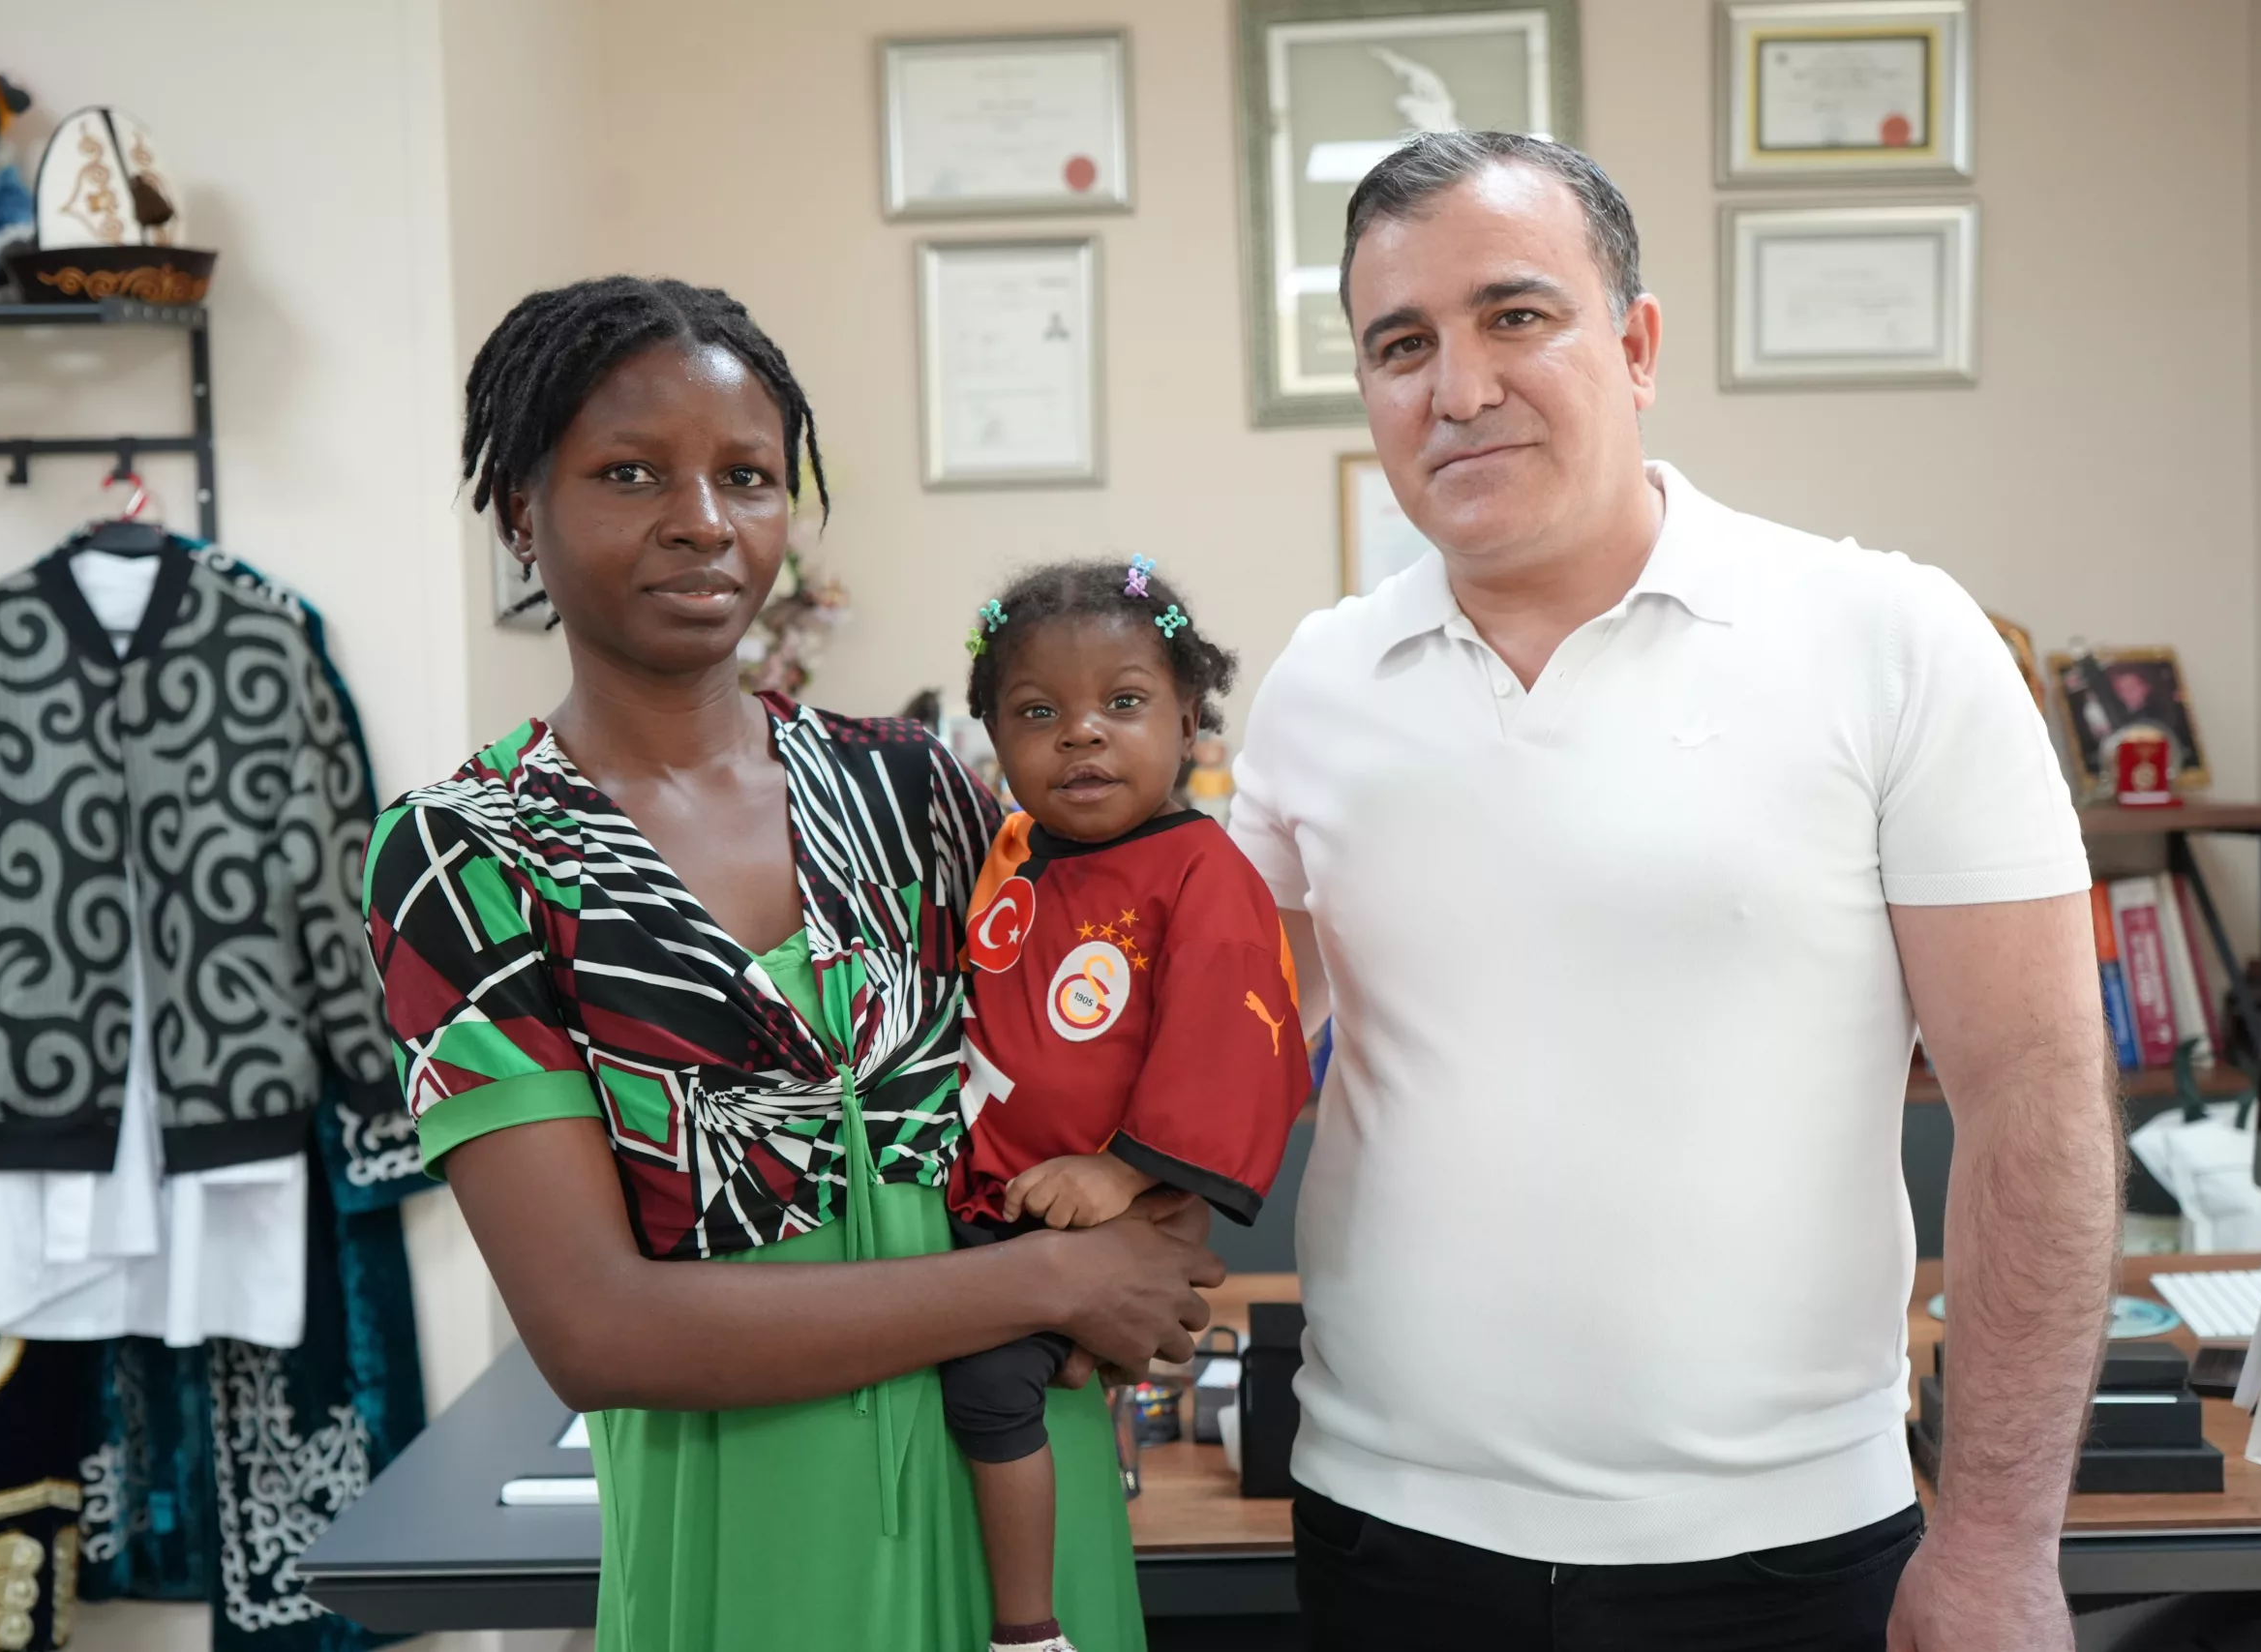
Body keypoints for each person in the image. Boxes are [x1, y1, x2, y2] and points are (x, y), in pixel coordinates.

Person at [1229, 133, 2117, 1652]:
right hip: (1387, 1534)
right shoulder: (1322, 679)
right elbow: (1224, 1044)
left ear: (1636, 345)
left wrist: (1998, 1543)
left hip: (1784, 1550)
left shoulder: (1891, 637)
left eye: (1516, 316)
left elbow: (2035, 1097)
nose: (1458, 388)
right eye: (1401, 344)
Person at [362, 277, 1223, 1652]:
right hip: (752, 1563)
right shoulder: (467, 855)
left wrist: (1152, 1231)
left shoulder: (914, 788)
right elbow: (596, 1330)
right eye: (630, 473)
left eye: (747, 476)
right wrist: (1054, 1284)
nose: (703, 519)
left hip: (1030, 1528)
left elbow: (1119, 1052)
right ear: (521, 514)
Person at [942, 561, 1313, 1652]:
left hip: (1097, 1214)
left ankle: (1029, 1630)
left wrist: (1124, 1171)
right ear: (993, 738)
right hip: (989, 1195)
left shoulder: (1201, 871)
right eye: (1037, 713)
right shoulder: (1012, 857)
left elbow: (1233, 1037)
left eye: (1123, 701)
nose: (1081, 734)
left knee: (988, 1391)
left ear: (1188, 723)